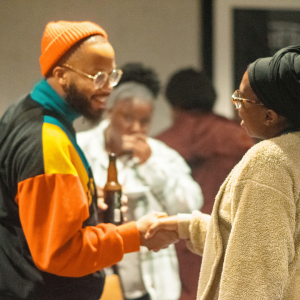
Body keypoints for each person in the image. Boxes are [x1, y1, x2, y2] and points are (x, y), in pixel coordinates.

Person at [0, 21, 178, 300]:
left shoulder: (24, 111)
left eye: (112, 76)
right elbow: (59, 253)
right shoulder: (47, 139)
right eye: (97, 77)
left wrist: (87, 208)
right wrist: (136, 235)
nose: (108, 89)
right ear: (61, 75)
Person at [147, 45, 300, 299]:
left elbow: (255, 272)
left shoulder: (270, 160)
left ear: (270, 116)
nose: (236, 106)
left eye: (241, 99)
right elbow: (261, 240)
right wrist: (188, 227)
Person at [77, 62, 203, 300]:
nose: (136, 128)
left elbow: (190, 206)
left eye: (144, 121)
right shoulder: (81, 147)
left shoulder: (162, 155)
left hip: (150, 284)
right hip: (94, 278)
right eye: (127, 117)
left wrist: (150, 165)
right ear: (110, 112)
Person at [156, 68, 254, 300]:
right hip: (230, 237)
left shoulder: (162, 144)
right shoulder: (240, 138)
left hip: (180, 240)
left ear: (174, 103)